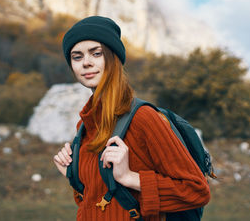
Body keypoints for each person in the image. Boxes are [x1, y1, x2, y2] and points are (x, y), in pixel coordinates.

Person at [53, 16, 210, 220]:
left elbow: (196, 191)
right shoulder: (84, 125)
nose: (86, 63)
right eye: (77, 56)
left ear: (114, 57)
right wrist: (73, 175)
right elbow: (96, 202)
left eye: (96, 53)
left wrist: (129, 177)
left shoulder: (143, 118)